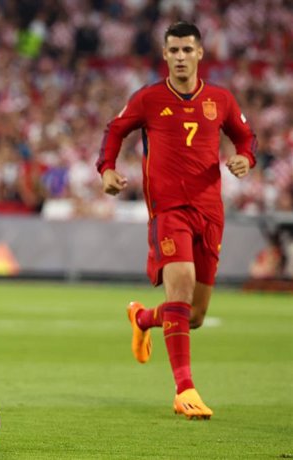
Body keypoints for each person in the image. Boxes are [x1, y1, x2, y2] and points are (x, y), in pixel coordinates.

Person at [96, 22, 256, 420]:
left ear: (201, 53)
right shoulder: (149, 98)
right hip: (168, 210)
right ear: (165, 55)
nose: (181, 57)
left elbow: (245, 138)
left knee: (194, 315)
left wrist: (245, 159)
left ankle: (143, 318)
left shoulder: (219, 99)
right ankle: (184, 390)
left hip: (210, 214)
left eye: (188, 49)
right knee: (180, 289)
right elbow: (115, 131)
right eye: (174, 50)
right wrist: (107, 170)